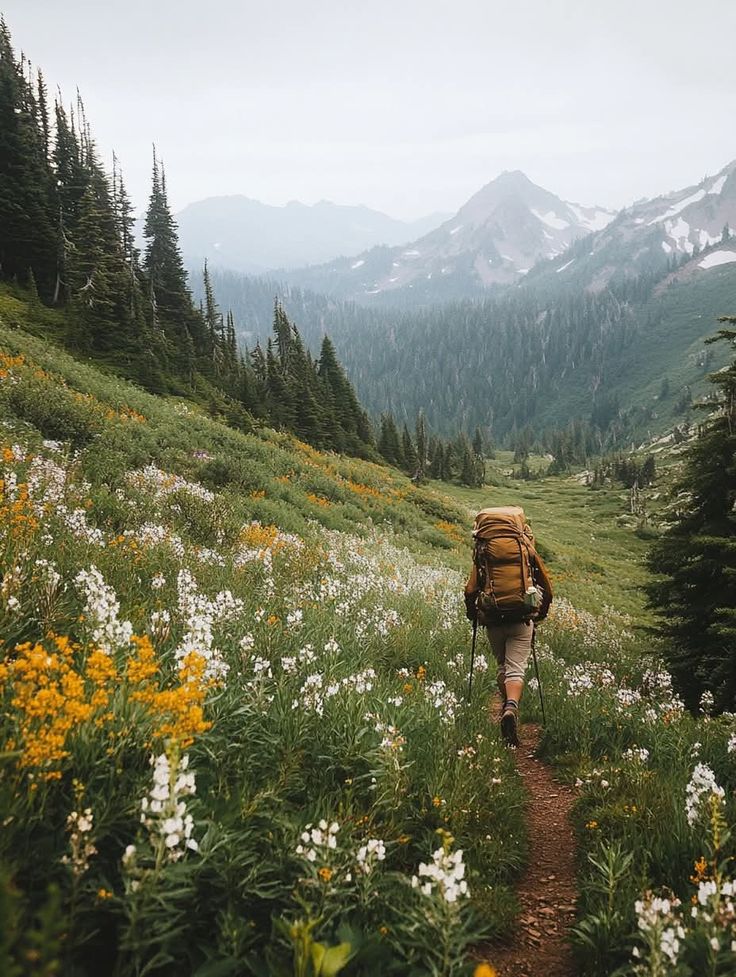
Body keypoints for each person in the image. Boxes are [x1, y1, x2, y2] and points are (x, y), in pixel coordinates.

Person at [464, 506, 553, 746]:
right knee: (516, 668)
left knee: (503, 665)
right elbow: (547, 585)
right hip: (522, 617)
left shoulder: (483, 551)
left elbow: (470, 589)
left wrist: (472, 613)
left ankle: (507, 707)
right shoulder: (525, 548)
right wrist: (540, 613)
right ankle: (512, 707)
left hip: (493, 618)